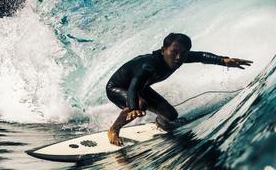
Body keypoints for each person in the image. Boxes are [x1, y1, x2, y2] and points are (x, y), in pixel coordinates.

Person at [106, 33, 252, 146]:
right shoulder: (148, 65)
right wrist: (132, 108)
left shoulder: (180, 56)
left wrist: (223, 60)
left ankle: (159, 122)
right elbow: (133, 86)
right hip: (117, 88)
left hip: (140, 88)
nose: (178, 57)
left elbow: (201, 56)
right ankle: (114, 130)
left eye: (183, 53)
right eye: (174, 52)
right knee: (140, 105)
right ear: (163, 50)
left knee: (171, 115)